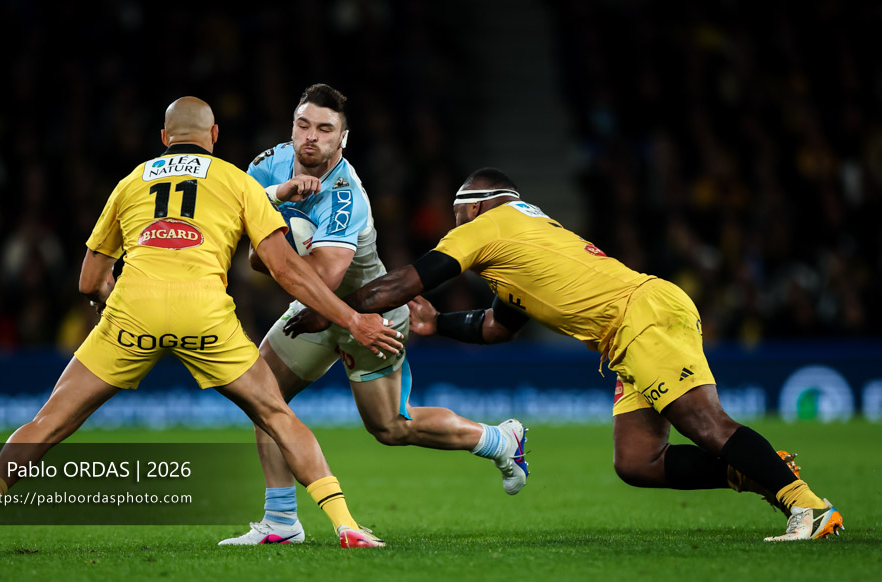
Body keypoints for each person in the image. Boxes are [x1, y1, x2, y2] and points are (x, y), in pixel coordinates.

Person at [0, 96, 404, 559]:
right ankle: (345, 523)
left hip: (134, 309)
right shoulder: (238, 180)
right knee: (276, 413)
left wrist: (125, 313)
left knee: (48, 422)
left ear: (164, 136)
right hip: (203, 312)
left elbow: (89, 279)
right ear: (214, 134)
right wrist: (351, 318)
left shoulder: (130, 182)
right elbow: (287, 270)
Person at [283, 167, 845, 542]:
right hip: (633, 328)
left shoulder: (492, 225)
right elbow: (498, 327)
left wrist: (326, 307)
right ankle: (762, 472)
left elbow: (402, 282)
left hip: (639, 317)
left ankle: (808, 505)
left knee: (706, 424)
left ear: (477, 207)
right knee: (638, 463)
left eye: (458, 217)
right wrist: (439, 324)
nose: (454, 230)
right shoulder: (526, 244)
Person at [219, 85, 527, 546]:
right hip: (315, 309)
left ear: (342, 139)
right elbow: (235, 223)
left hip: (371, 312)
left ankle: (500, 441)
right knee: (261, 397)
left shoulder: (346, 196)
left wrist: (267, 239)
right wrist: (275, 203)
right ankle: (281, 521)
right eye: (304, 125)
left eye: (325, 130)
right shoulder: (266, 167)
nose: (311, 138)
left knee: (390, 427)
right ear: (292, 127)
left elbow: (314, 274)